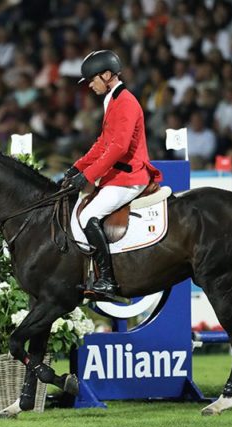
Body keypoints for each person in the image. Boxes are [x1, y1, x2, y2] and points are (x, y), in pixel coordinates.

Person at [62, 50, 163, 299]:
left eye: (92, 80)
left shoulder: (127, 102)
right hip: (116, 174)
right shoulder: (112, 99)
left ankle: (107, 279)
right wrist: (79, 166)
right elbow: (103, 142)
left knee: (89, 215)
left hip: (131, 177)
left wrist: (88, 176)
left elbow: (118, 148)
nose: (90, 85)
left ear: (107, 75)